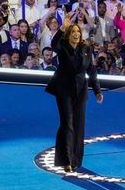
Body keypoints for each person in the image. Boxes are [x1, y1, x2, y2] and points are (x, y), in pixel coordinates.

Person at [44, 10, 103, 172]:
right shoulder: (62, 47)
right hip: (63, 90)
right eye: (73, 32)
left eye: (78, 32)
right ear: (69, 34)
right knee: (67, 124)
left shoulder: (85, 48)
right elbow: (54, 44)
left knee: (79, 125)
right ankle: (66, 160)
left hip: (80, 91)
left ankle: (76, 159)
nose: (76, 34)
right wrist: (62, 28)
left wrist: (97, 89)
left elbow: (91, 69)